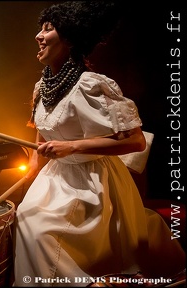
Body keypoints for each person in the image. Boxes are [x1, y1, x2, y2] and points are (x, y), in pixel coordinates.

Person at [13, 1, 185, 287]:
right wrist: (32, 169)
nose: (38, 36)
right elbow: (43, 129)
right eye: (40, 30)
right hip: (55, 179)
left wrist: (72, 147)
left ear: (69, 38)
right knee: (23, 217)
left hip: (92, 182)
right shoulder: (41, 86)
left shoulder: (90, 84)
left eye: (48, 29)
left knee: (40, 232)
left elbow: (135, 140)